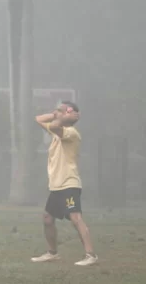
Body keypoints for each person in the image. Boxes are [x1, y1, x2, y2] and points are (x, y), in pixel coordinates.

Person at [31, 101, 98, 266]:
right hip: (56, 185)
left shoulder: (71, 132)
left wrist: (61, 116)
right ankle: (52, 253)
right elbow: (38, 119)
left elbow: (54, 127)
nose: (58, 112)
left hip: (69, 183)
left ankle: (91, 255)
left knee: (75, 218)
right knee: (47, 218)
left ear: (71, 116)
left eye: (63, 110)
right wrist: (58, 113)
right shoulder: (57, 132)